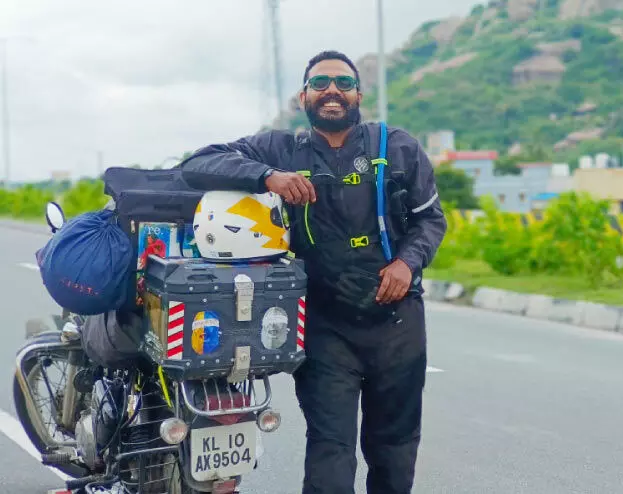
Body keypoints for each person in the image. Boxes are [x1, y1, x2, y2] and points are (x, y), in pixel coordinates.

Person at [179, 50, 446, 494]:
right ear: (304, 97)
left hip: (397, 321)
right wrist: (267, 176)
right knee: (330, 447)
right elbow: (198, 164)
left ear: (359, 95)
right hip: (324, 326)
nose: (332, 91)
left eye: (343, 83)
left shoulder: (397, 147)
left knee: (394, 447)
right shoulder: (282, 150)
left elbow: (431, 220)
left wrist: (407, 262)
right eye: (320, 84)